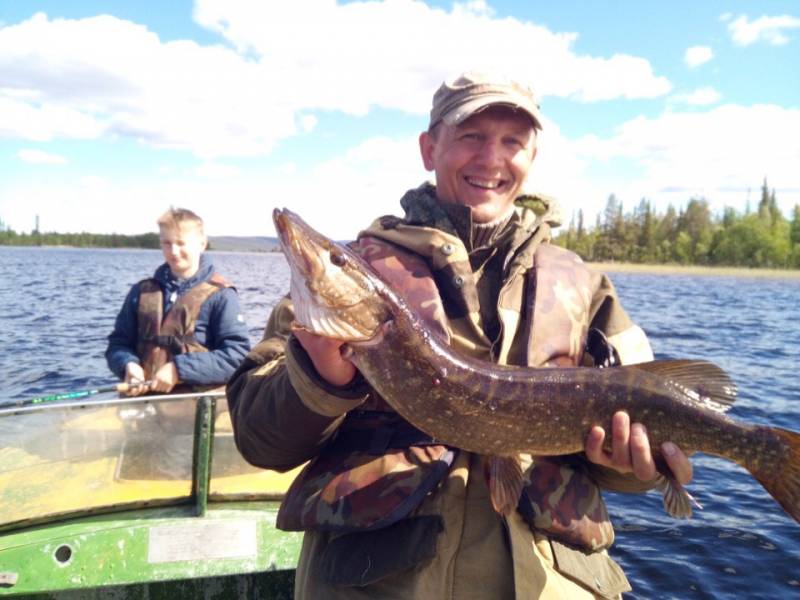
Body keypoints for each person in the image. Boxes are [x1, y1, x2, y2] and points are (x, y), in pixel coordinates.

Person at [226, 72, 694, 599]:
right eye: (471, 136)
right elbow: (257, 438)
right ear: (430, 148)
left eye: (512, 142)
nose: (491, 159)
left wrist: (634, 468)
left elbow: (636, 455)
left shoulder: (587, 288)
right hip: (379, 585)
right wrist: (315, 380)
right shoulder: (361, 273)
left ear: (531, 157)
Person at [106, 207, 251, 395]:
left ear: (202, 244)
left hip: (195, 407)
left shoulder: (222, 296)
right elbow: (118, 343)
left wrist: (179, 369)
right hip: (142, 403)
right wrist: (127, 364)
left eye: (181, 243)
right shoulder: (140, 291)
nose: (173, 251)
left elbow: (237, 357)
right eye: (166, 243)